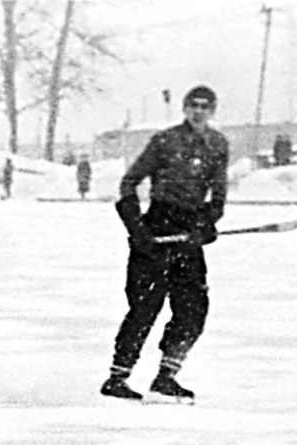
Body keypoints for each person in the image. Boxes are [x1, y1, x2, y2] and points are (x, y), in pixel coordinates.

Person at [101, 83, 229, 403]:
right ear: (185, 109)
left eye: (205, 106)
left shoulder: (217, 145)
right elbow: (129, 183)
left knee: (193, 310)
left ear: (213, 111)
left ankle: (166, 377)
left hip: (188, 234)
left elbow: (218, 195)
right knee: (145, 307)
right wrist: (137, 228)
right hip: (157, 229)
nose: (198, 111)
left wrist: (207, 224)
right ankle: (118, 377)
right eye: (193, 106)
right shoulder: (165, 141)